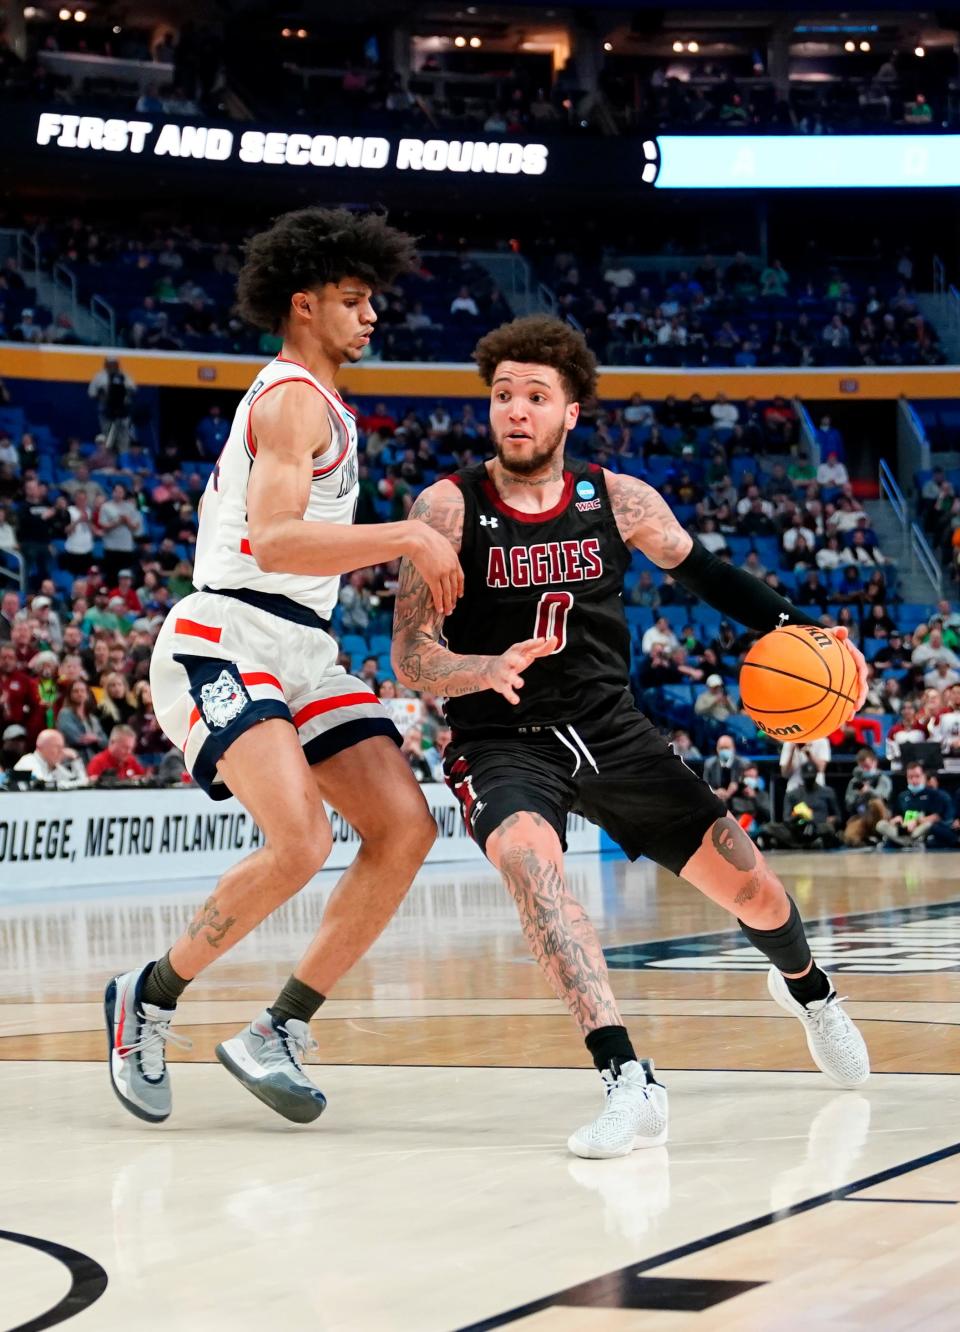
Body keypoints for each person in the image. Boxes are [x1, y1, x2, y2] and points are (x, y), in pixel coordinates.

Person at [391, 314, 869, 1159]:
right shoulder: (446, 509)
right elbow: (411, 656)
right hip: (501, 740)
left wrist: (810, 628)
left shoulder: (619, 499)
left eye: (536, 396)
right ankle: (627, 1080)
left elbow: (710, 575)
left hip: (612, 729)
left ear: (570, 410)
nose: (516, 411)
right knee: (528, 865)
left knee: (755, 892)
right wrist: (478, 668)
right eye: (503, 395)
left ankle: (810, 988)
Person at [105, 207, 462, 1129]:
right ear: (304, 306)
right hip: (226, 632)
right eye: (353, 300)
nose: (371, 316)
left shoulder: (328, 404)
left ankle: (280, 1027)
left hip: (302, 647)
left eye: (373, 300)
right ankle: (146, 997)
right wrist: (410, 535)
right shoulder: (292, 395)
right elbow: (273, 538)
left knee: (404, 828)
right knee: (301, 840)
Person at [757, 762, 842, 850]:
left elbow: (838, 817)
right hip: (796, 829)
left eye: (811, 777)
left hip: (818, 828)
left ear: (816, 775)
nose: (809, 780)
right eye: (807, 777)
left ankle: (814, 842)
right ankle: (801, 844)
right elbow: (786, 819)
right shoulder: (792, 794)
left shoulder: (827, 792)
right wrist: (797, 817)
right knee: (767, 828)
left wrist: (832, 820)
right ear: (802, 776)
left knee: (828, 828)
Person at [877, 763, 955, 848]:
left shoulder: (935, 794)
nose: (914, 780)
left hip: (920, 829)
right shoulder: (902, 796)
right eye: (910, 777)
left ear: (923, 777)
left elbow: (936, 817)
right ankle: (909, 842)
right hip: (904, 829)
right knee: (881, 824)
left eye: (917, 776)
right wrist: (896, 819)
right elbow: (897, 814)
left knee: (929, 825)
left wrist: (917, 821)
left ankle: (903, 841)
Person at [14, 727, 88, 789]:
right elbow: (44, 786)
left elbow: (82, 782)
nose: (62, 751)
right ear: (44, 747)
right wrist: (76, 784)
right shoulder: (28, 762)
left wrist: (75, 760)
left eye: (62, 747)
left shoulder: (53, 766)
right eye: (58, 747)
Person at [702, 734, 747, 806]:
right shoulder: (709, 764)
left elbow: (748, 785)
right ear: (717, 749)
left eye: (727, 748)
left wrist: (734, 788)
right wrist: (715, 792)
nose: (724, 750)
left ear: (733, 748)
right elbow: (705, 785)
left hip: (738, 804)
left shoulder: (743, 763)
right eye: (721, 748)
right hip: (716, 802)